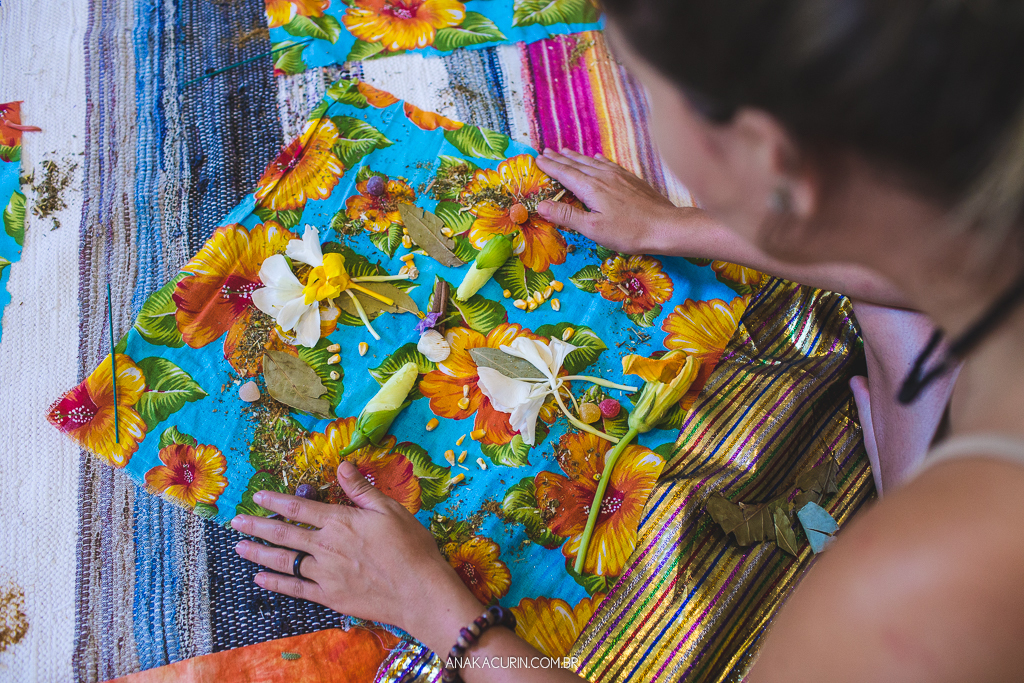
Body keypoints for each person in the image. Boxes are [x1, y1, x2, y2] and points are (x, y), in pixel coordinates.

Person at [231, 1, 1024, 680]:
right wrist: (677, 228)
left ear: (770, 156)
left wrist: (442, 614)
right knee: (897, 317)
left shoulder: (902, 595)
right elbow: (901, 263)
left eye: (645, 90)